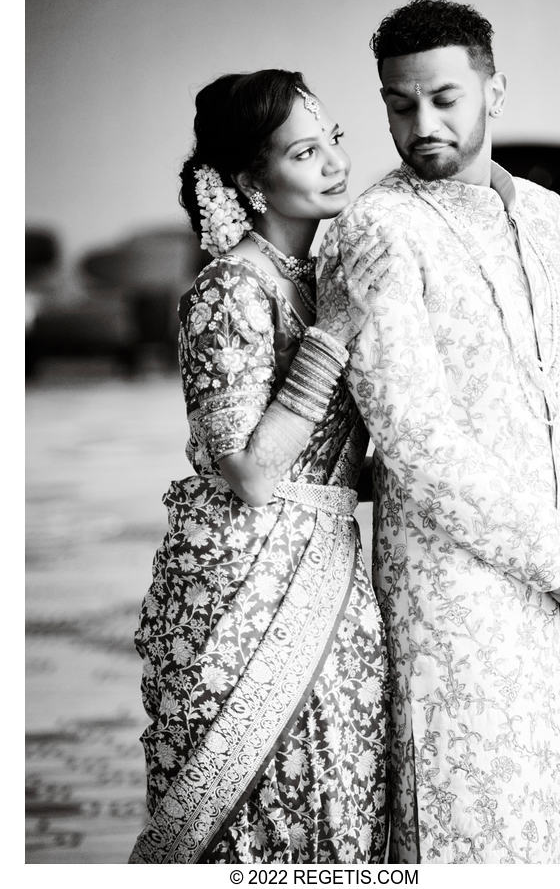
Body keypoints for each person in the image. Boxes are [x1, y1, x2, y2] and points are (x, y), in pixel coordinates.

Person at [318, 0, 560, 864]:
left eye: (445, 98)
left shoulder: (547, 214)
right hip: (457, 589)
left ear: (495, 90)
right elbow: (412, 435)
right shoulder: (375, 228)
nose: (421, 124)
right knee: (473, 826)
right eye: (398, 103)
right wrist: (556, 555)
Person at [129, 69, 389, 864]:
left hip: (328, 567)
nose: (334, 163)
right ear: (250, 182)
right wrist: (334, 336)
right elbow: (246, 471)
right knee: (261, 804)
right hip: (243, 587)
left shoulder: (314, 280)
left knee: (340, 778)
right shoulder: (227, 292)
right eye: (305, 152)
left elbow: (336, 464)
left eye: (334, 142)